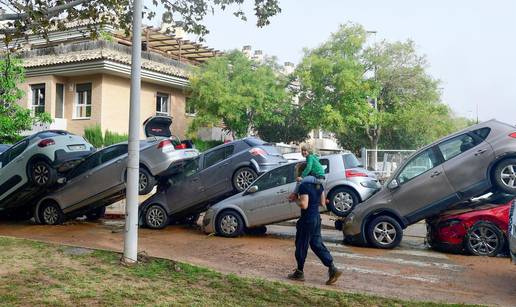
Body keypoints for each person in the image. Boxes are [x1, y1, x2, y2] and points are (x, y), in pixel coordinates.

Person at [288, 181, 342, 285]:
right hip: (316, 218)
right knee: (317, 244)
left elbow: (304, 205)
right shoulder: (318, 185)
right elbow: (322, 203)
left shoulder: (304, 185)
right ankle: (332, 268)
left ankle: (299, 272)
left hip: (307, 220)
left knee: (301, 244)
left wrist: (295, 200)